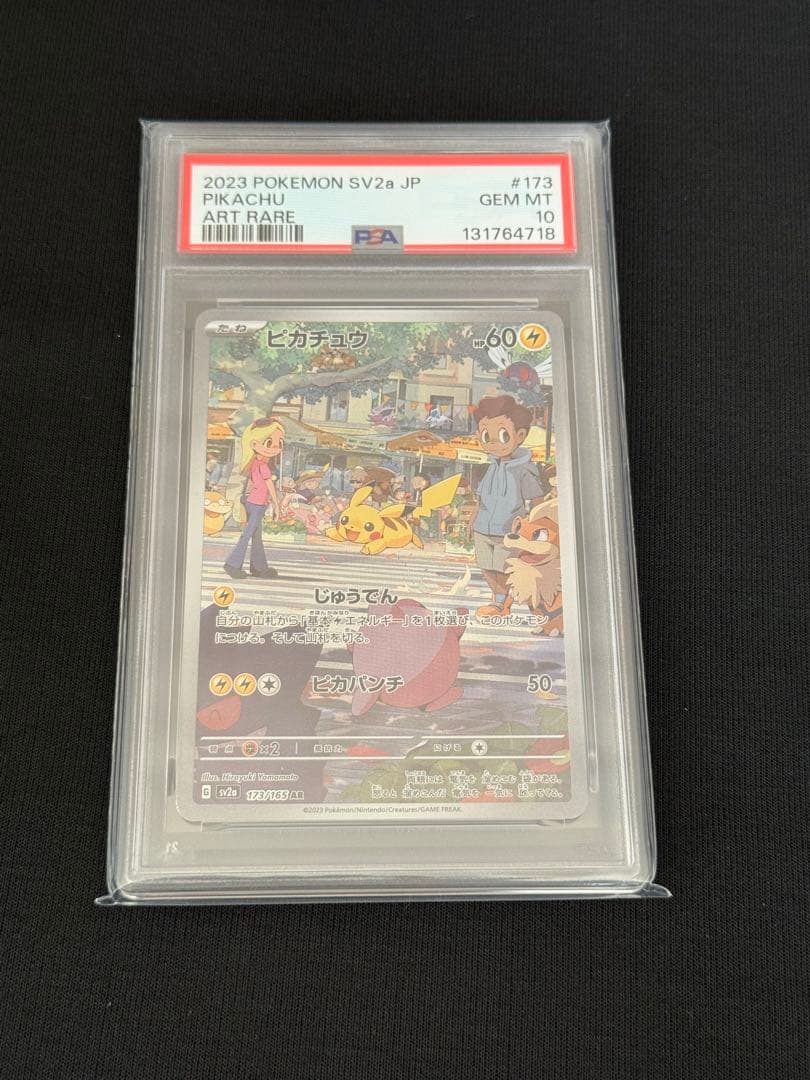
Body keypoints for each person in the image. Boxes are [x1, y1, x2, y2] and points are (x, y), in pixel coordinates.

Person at [472, 395, 549, 617]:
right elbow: (480, 498)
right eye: (486, 435)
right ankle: (498, 601)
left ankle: (503, 604)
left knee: (505, 568)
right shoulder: (491, 466)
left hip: (508, 529)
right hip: (482, 527)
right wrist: (472, 521)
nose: (493, 442)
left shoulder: (524, 469)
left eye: (503, 435)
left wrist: (534, 527)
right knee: (485, 565)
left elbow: (537, 500)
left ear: (520, 436)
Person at [224, 418, 284, 580]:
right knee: (248, 534)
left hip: (253, 502)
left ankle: (259, 568)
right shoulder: (263, 466)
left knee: (256, 536)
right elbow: (270, 487)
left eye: (279, 442)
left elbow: (252, 482)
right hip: (257, 504)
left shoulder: (255, 463)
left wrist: (246, 498)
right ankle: (232, 564)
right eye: (269, 442)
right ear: (255, 444)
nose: (276, 447)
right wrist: (276, 506)